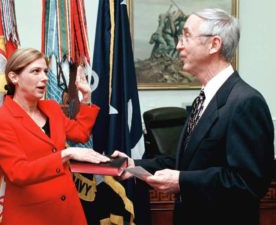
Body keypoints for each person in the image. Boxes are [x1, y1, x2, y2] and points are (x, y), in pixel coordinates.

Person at [113, 8, 275, 225]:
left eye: (186, 36)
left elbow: (248, 182)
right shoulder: (204, 99)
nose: (178, 45)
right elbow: (186, 162)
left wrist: (182, 181)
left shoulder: (246, 102)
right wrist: (134, 165)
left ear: (214, 45)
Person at [0, 48, 109, 225]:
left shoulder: (51, 108)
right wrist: (65, 155)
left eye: (45, 71)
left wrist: (86, 96)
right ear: (14, 77)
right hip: (32, 215)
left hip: (69, 211)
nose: (44, 77)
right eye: (35, 71)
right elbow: (18, 172)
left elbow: (80, 134)